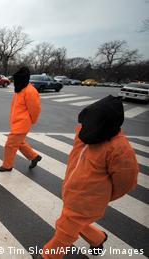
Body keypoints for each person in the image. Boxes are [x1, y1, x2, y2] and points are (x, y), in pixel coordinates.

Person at [37, 95, 139, 259]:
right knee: (74, 221)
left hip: (90, 200)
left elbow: (126, 182)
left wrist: (103, 196)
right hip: (72, 191)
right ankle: (98, 238)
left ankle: (49, 256)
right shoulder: (85, 133)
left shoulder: (119, 148)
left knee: (65, 227)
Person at [0, 66, 42, 172]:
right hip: (16, 122)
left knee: (10, 145)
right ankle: (34, 157)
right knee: (19, 143)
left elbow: (35, 109)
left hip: (22, 123)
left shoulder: (30, 91)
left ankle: (7, 166)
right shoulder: (20, 89)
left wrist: (31, 121)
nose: (14, 83)